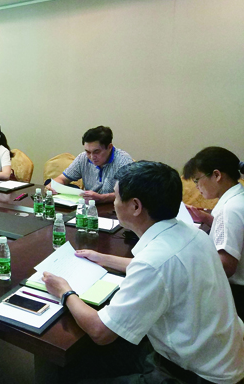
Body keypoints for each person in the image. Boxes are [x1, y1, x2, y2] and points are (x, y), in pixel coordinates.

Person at [42, 161, 244, 384]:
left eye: (117, 198)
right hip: (219, 354)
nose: (114, 203)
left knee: (76, 372)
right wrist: (102, 258)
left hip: (195, 376)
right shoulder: (193, 234)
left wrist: (65, 292)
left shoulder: (153, 263)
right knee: (86, 361)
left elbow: (100, 332)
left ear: (136, 206)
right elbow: (162, 269)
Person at [183, 146, 244, 317]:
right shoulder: (238, 196)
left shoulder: (229, 209)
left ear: (217, 175)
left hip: (236, 295)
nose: (197, 187)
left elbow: (226, 266)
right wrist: (208, 219)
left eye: (197, 180)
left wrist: (189, 264)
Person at [48, 126, 132, 204]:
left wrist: (103, 198)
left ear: (109, 147)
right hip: (89, 208)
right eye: (88, 152)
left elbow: (129, 193)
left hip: (115, 209)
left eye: (96, 152)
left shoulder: (123, 161)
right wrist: (52, 186)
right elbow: (62, 179)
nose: (92, 157)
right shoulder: (83, 158)